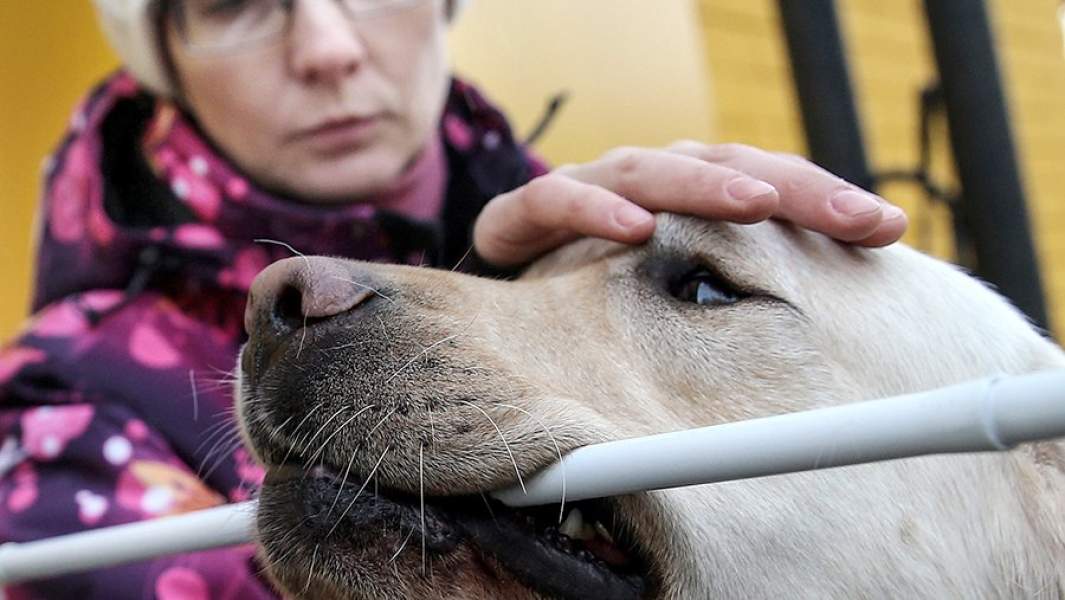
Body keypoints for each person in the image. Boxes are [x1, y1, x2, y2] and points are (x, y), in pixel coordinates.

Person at [0, 0, 907, 597]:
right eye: (233, 3)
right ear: (167, 62)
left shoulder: (611, 234)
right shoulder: (62, 389)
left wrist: (538, 294)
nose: (327, 47)